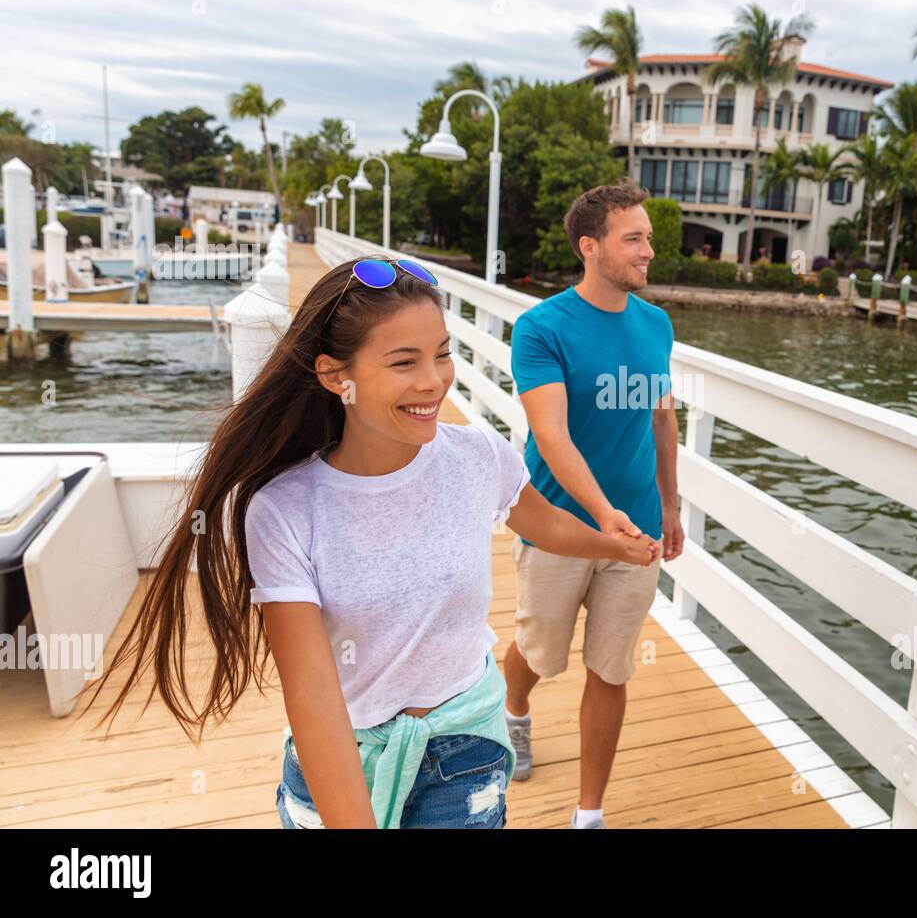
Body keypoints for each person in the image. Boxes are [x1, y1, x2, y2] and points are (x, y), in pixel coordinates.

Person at [86, 256, 659, 829]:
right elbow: (313, 701)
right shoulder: (286, 509)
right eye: (404, 361)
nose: (434, 380)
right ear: (337, 376)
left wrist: (613, 544)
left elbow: (542, 523)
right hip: (344, 752)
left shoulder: (478, 457)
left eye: (441, 353)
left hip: (464, 749)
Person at [503, 181, 685, 829]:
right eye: (633, 238)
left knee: (611, 669)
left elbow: (663, 420)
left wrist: (670, 504)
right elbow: (549, 436)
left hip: (636, 531)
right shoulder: (542, 328)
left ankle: (589, 813)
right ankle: (515, 712)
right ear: (591, 247)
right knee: (540, 650)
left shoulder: (656, 324)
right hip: (559, 527)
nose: (648, 250)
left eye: (649, 237)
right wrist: (601, 516)